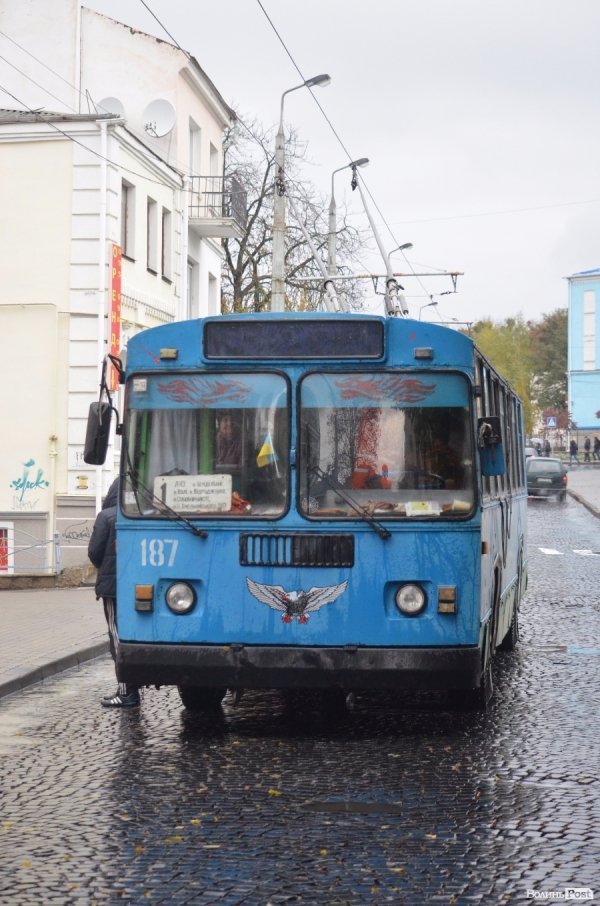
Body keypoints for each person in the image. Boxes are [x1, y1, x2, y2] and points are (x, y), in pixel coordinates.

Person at [88, 479, 140, 708]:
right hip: (138, 586)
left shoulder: (106, 516)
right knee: (135, 634)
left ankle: (127, 691)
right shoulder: (142, 514)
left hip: (113, 588)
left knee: (117, 636)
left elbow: (94, 553)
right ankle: (134, 686)